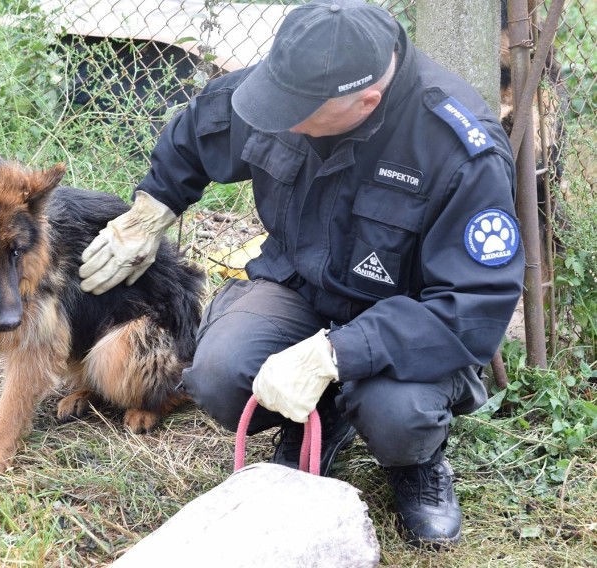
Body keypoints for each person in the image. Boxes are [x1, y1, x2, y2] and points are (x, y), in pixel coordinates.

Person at [79, 0, 524, 549]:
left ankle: (417, 463)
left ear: (367, 101)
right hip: (298, 287)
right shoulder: (299, 82)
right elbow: (201, 127)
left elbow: (472, 307)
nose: (279, 119)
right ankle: (318, 414)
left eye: (297, 114)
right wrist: (152, 211)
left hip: (402, 322)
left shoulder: (457, 147)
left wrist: (333, 355)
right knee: (218, 374)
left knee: (396, 414)